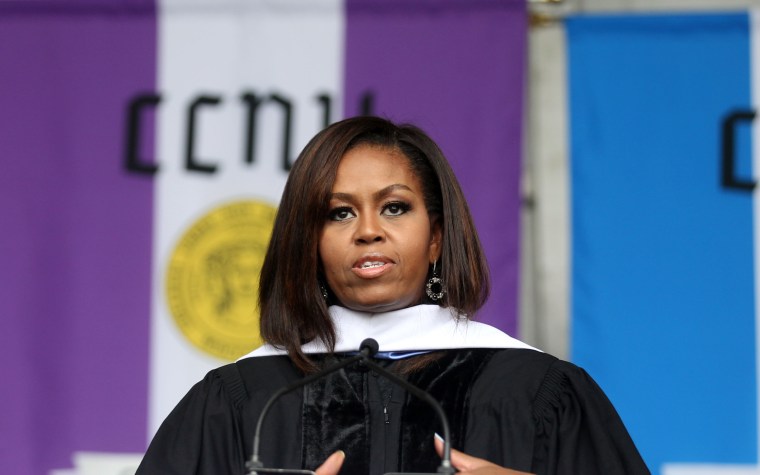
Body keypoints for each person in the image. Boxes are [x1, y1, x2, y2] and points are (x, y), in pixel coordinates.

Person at [136, 117, 650, 475]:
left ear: (437, 238)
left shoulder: (534, 388)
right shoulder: (243, 399)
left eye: (395, 208)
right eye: (338, 213)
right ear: (308, 244)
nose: (368, 231)